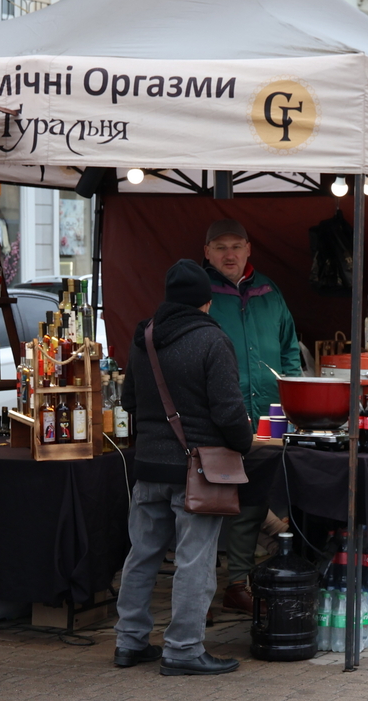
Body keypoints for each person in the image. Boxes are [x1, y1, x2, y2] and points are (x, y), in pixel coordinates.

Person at [113, 260, 255, 675]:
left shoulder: (145, 336)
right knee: (195, 561)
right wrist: (245, 443)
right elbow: (229, 412)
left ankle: (129, 642)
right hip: (197, 471)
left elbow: (129, 401)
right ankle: (184, 649)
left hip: (148, 467)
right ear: (206, 302)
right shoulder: (213, 340)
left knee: (141, 557)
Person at [203, 219, 301, 614]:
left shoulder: (269, 292)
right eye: (220, 247)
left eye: (236, 246)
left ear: (248, 249)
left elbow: (289, 348)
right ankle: (239, 578)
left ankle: (246, 577)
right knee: (230, 496)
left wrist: (293, 398)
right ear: (207, 252)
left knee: (258, 492)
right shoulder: (202, 294)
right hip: (223, 413)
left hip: (271, 413)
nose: (229, 254)